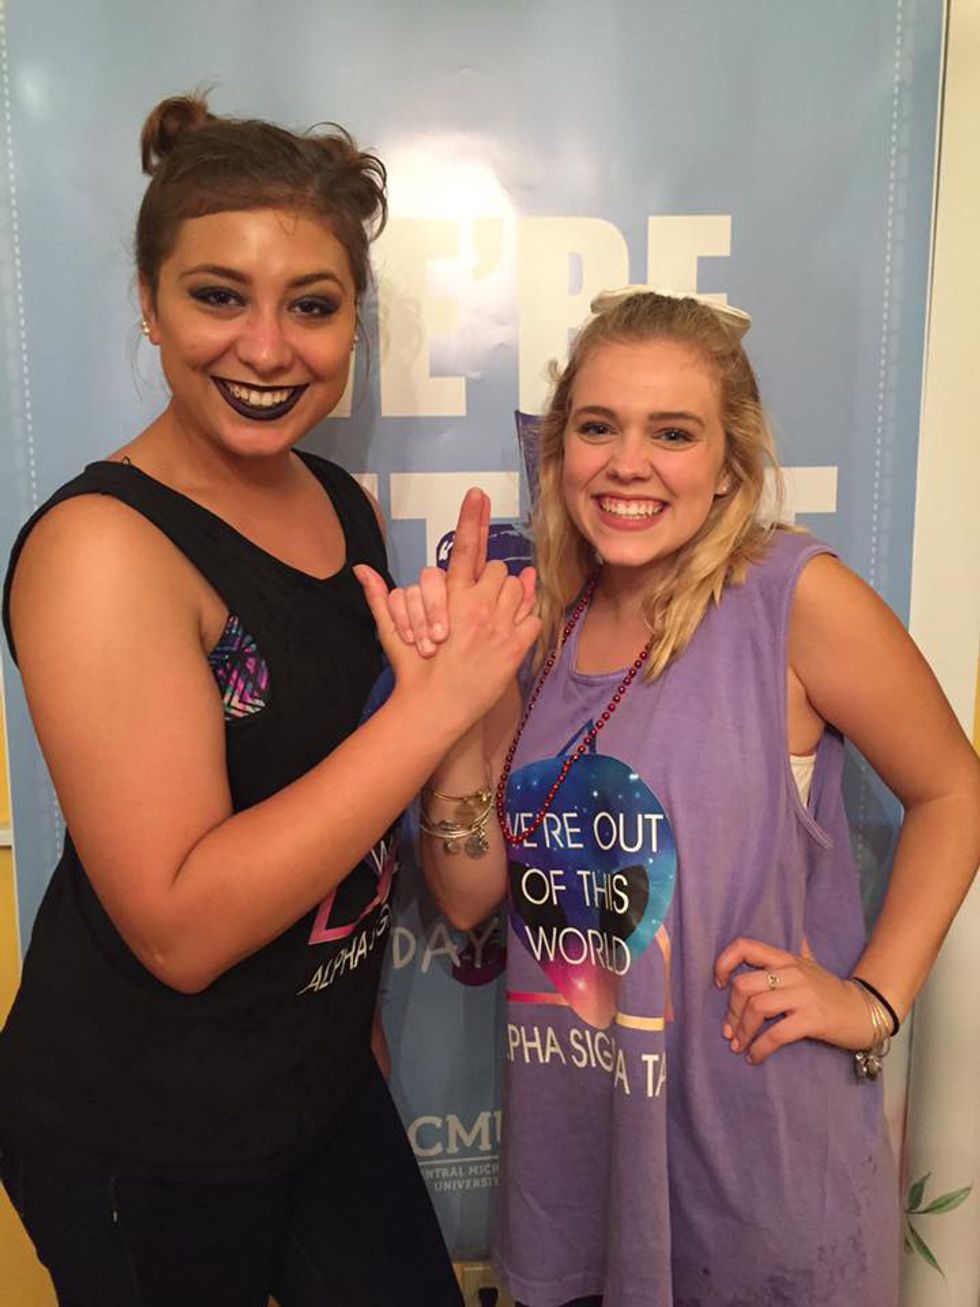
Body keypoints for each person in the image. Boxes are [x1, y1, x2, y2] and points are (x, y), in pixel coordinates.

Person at [0, 93, 540, 1307]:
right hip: (143, 1127)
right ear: (148, 303)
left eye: (311, 304)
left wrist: (345, 1020)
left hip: (315, 1083)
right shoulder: (100, 550)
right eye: (216, 296)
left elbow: (327, 817)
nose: (266, 348)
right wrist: (434, 707)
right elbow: (180, 929)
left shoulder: (335, 502)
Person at [363, 288, 980, 1306]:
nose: (627, 463)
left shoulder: (791, 595)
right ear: (561, 448)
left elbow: (954, 786)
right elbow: (469, 898)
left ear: (729, 462)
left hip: (756, 1185)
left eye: (673, 433)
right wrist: (448, 713)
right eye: (597, 427)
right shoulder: (541, 623)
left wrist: (872, 1000)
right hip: (578, 1171)